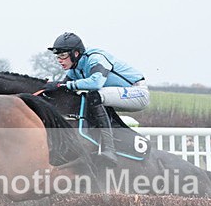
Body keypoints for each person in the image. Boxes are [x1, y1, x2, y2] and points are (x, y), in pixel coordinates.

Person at [44, 32, 149, 165]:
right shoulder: (74, 69)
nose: (60, 60)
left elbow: (96, 83)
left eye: (63, 55)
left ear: (75, 53)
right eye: (58, 56)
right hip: (116, 95)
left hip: (138, 93)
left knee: (94, 96)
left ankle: (109, 149)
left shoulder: (95, 58)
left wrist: (62, 85)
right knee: (84, 99)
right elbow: (63, 90)